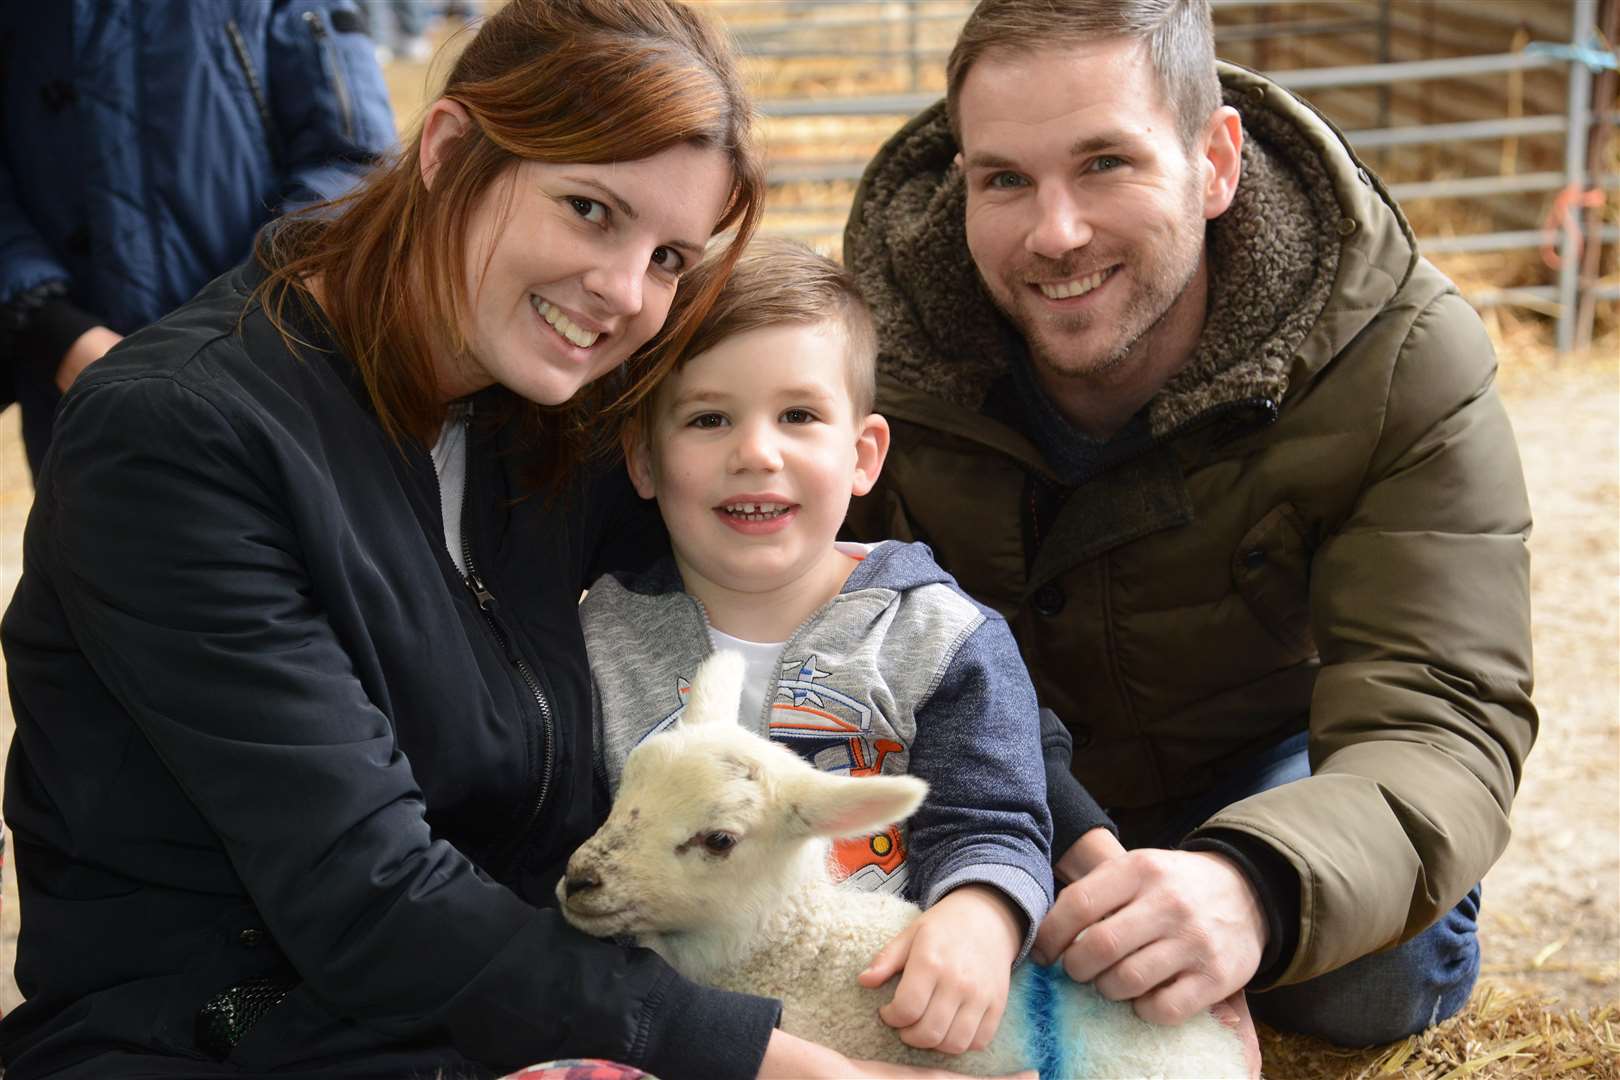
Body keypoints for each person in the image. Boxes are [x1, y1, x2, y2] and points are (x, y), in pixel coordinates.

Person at [0, 3, 994, 1077]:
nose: (620, 293)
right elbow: (364, 894)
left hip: (498, 1017)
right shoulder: (178, 439)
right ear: (449, 150)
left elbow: (849, 587)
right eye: (587, 208)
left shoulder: (541, 412)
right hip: (229, 1034)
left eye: (666, 255)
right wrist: (777, 1062)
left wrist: (1010, 863)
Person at [843, 0, 1536, 1051]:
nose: (1055, 233)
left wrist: (1254, 884)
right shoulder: (874, 350)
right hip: (987, 773)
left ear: (1213, 162)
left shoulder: (1398, 353)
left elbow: (1442, 709)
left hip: (1260, 772)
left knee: (1372, 981)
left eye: (1106, 163)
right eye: (1005, 179)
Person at [580, 238, 1118, 1058]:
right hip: (680, 1036)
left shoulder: (941, 635)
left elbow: (995, 812)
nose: (756, 452)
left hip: (884, 1021)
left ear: (863, 455)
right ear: (645, 459)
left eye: (798, 416)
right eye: (709, 417)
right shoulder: (600, 640)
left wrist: (979, 914)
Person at [0, 0, 397, 478]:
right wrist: (56, 331)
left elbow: (353, 168)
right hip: (75, 383)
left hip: (272, 371)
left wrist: (246, 321)